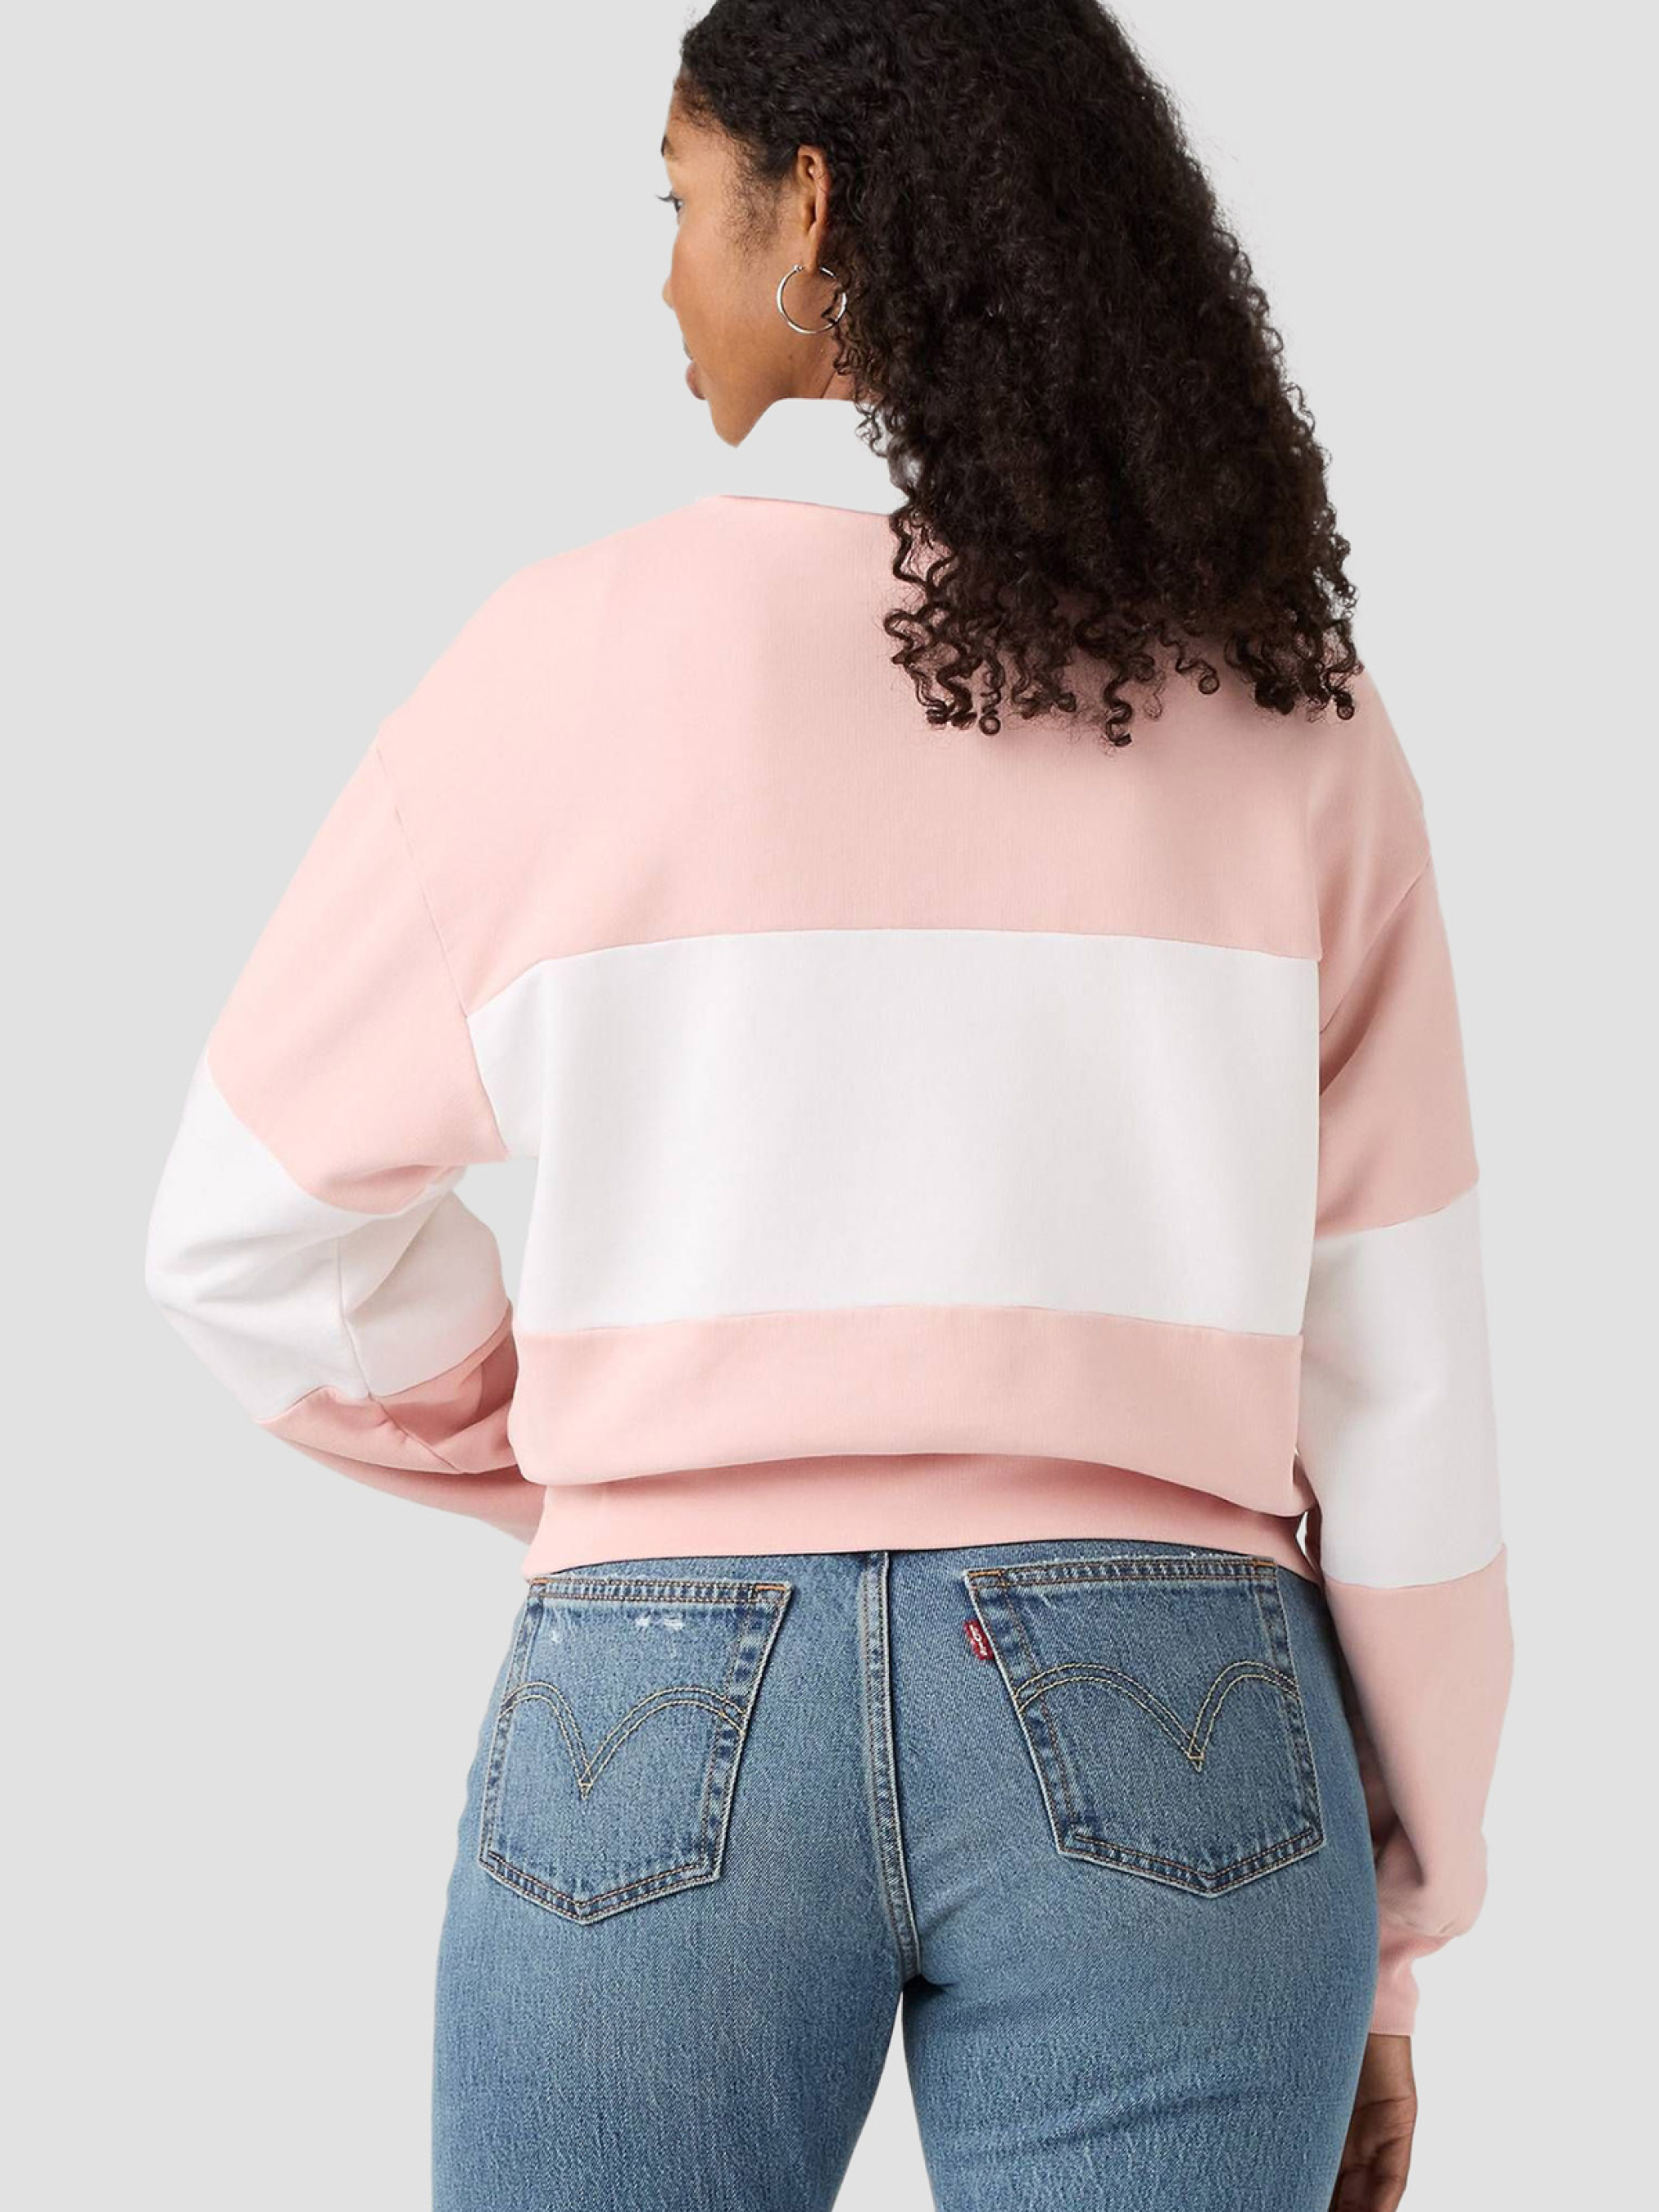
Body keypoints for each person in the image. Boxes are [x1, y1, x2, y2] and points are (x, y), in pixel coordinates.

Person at [143, 4, 1515, 2206]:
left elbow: (244, 1235)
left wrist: (608, 1448)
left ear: (810, 208)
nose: (662, 268)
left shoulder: (556, 666)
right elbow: (1405, 1392)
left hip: (656, 1679)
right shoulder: (1287, 704)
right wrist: (1398, 1944)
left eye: (680, 201)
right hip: (1177, 1693)